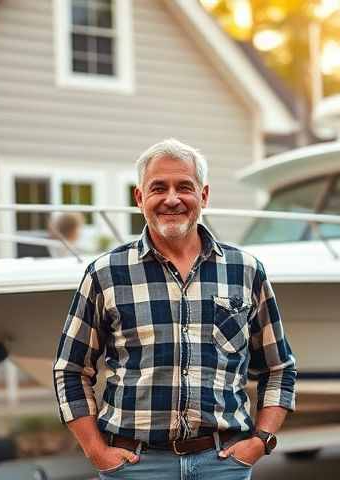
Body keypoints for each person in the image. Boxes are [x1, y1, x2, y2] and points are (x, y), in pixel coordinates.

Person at [53, 138, 297, 479]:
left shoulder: (246, 271)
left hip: (222, 463)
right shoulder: (105, 274)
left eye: (184, 187)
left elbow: (279, 367)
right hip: (136, 467)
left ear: (204, 195)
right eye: (158, 188)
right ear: (140, 198)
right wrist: (96, 451)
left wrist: (261, 440)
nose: (171, 199)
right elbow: (70, 369)